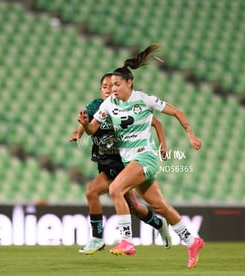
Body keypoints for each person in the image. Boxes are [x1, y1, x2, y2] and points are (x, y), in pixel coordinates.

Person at [77, 43, 204, 268]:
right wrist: (86, 125)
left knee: (116, 188)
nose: (113, 88)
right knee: (160, 206)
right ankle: (192, 240)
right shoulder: (109, 103)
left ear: (129, 83)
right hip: (130, 162)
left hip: (146, 157)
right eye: (110, 85)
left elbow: (176, 111)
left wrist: (191, 134)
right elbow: (94, 129)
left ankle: (126, 241)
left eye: (117, 84)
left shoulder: (144, 99)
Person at [69, 72, 171, 255]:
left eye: (112, 85)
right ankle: (159, 224)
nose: (109, 89)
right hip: (106, 162)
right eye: (105, 86)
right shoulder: (96, 106)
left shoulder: (126, 106)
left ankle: (98, 239)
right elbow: (87, 122)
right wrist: (78, 132)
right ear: (100, 90)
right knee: (133, 207)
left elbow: (156, 123)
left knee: (92, 191)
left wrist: (163, 144)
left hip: (123, 161)